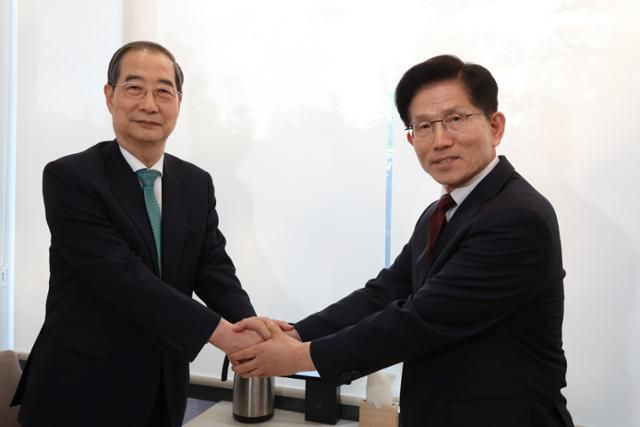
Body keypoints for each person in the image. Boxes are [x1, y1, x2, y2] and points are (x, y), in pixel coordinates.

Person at [230, 55, 574, 427]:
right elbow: (386, 292)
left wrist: (299, 357)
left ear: (495, 126)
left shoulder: (518, 218)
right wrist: (295, 332)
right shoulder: (441, 212)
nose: (441, 140)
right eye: (424, 126)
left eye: (456, 119)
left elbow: (420, 321)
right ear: (411, 139)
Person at [11, 41, 273, 427]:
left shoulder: (195, 183)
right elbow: (123, 277)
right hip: (79, 391)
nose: (149, 104)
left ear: (179, 102)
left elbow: (213, 268)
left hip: (163, 389)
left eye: (163, 91)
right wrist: (220, 334)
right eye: (134, 88)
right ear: (109, 96)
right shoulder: (70, 178)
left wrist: (254, 329)